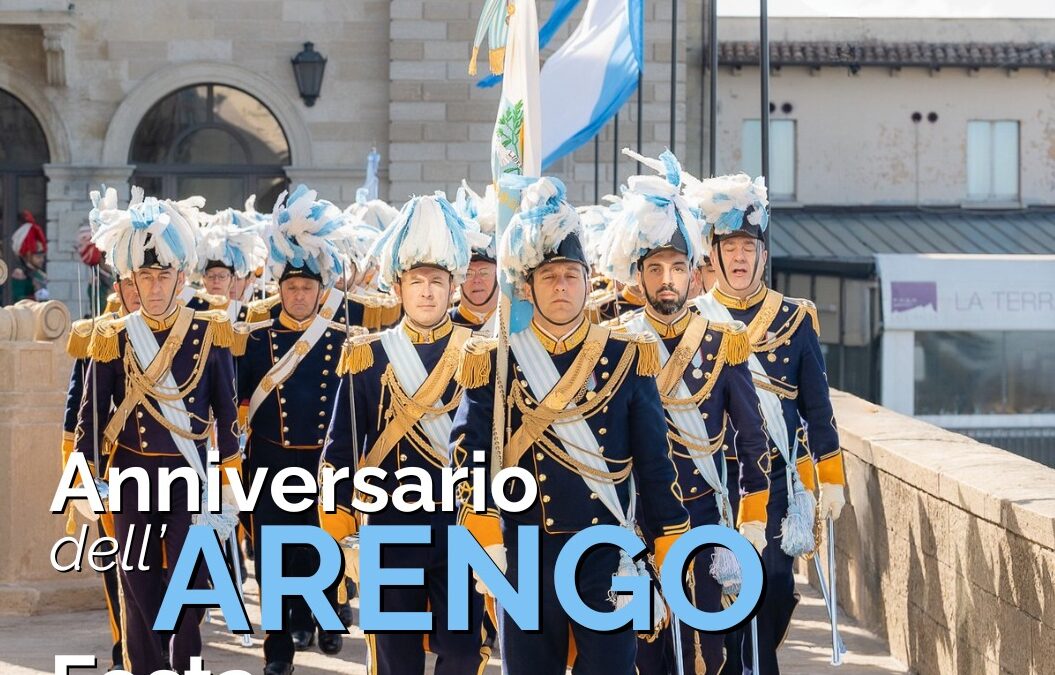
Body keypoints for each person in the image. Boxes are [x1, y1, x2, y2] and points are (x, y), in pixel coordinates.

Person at [451, 176, 690, 675]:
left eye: (570, 275)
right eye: (549, 277)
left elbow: (653, 460)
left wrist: (668, 541)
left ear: (587, 280)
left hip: (606, 548)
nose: (561, 287)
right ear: (528, 285)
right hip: (525, 550)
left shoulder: (626, 355)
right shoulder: (495, 361)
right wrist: (483, 532)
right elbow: (470, 453)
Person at [600, 150, 774, 674]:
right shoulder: (615, 344)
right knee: (648, 648)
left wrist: (756, 511)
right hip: (638, 518)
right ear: (638, 276)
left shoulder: (723, 340)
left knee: (709, 650)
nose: (668, 279)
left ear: (694, 273)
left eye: (677, 267)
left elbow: (751, 436)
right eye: (655, 268)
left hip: (703, 513)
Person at [320, 192, 491, 675]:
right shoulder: (369, 354)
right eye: (417, 282)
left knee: (461, 651)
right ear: (399, 287)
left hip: (459, 526)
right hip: (391, 524)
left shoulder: (478, 353)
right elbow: (340, 449)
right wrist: (336, 522)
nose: (427, 292)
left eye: (437, 281)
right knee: (395, 657)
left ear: (454, 286)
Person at [73, 190, 240, 675]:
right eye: (144, 276)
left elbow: (225, 413)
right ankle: (145, 664)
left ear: (180, 277)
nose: (154, 285)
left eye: (163, 275)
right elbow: (92, 415)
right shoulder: (114, 335)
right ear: (131, 280)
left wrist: (230, 481)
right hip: (130, 472)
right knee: (136, 576)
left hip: (189, 473)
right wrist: (85, 478)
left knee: (190, 577)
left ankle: (185, 662)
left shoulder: (209, 330)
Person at [686, 173, 847, 675]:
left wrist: (832, 479)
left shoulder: (794, 320)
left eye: (747, 247)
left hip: (776, 478)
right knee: (724, 594)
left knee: (774, 587)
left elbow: (818, 409)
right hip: (713, 478)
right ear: (713, 255)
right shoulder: (695, 319)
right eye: (729, 246)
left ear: (761, 255)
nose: (738, 257)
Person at [233, 185, 355, 675]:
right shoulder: (256, 339)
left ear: (320, 291)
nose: (299, 295)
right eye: (291, 288)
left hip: (321, 463)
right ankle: (278, 649)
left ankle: (325, 619)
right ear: (279, 290)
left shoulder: (343, 339)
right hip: (270, 462)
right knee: (274, 559)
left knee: (322, 548)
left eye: (307, 289)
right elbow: (239, 401)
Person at [62, 248, 141, 671]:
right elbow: (78, 409)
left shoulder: (184, 332)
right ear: (119, 288)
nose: (139, 291)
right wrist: (77, 476)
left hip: (169, 469)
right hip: (114, 469)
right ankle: (122, 646)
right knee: (116, 568)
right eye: (130, 283)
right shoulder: (99, 333)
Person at [449, 181, 499, 331]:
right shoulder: (441, 326)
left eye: (484, 272)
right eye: (469, 273)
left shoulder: (516, 325)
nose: (477, 280)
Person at [10, 210, 48, 301]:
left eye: (43, 256)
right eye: (38, 257)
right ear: (28, 255)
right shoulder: (19, 273)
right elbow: (18, 301)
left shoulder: (40, 274)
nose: (42, 259)